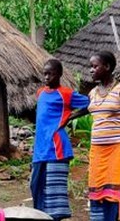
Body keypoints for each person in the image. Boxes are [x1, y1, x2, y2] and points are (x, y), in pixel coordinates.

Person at [31, 58, 90, 220]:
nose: (47, 77)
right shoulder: (40, 93)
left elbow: (91, 103)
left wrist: (71, 116)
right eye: (45, 74)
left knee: (53, 192)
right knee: (36, 187)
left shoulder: (66, 94)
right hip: (40, 149)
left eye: (51, 74)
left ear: (59, 75)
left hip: (57, 148)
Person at [85, 51, 120, 221]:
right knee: (99, 189)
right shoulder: (92, 93)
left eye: (95, 66)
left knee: (117, 189)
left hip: (117, 150)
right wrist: (64, 118)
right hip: (97, 152)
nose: (91, 70)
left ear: (107, 67)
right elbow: (83, 110)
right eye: (90, 67)